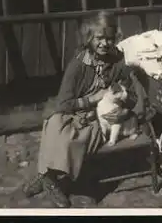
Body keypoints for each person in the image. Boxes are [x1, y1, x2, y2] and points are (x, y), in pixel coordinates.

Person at [22, 11, 147, 208]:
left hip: (99, 118)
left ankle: (49, 179)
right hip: (73, 111)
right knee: (55, 124)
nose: (105, 43)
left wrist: (123, 110)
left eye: (109, 38)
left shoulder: (118, 62)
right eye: (99, 38)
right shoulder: (78, 65)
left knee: (74, 138)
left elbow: (131, 96)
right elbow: (64, 103)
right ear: (89, 38)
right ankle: (49, 177)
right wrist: (93, 98)